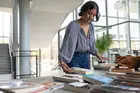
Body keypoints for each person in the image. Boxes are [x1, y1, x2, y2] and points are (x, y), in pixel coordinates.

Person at [58, 1, 103, 73]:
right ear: (83, 11)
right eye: (89, 13)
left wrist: (97, 53)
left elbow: (91, 44)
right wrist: (62, 61)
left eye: (94, 15)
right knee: (75, 82)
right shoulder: (73, 25)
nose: (91, 17)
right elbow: (68, 45)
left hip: (87, 59)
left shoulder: (91, 26)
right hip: (74, 59)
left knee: (87, 81)